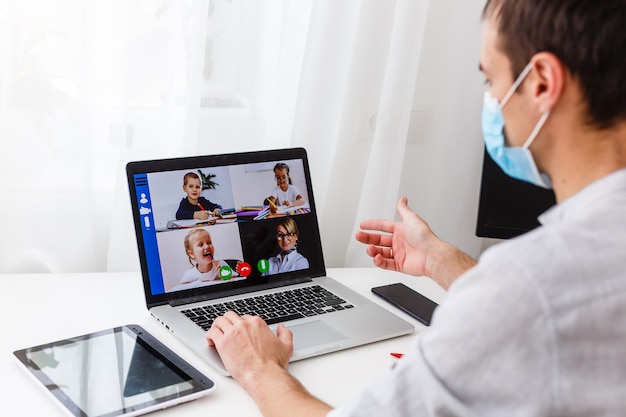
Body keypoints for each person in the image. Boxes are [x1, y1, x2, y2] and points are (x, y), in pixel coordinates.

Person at [206, 1, 626, 416]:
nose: (492, 101)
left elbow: (530, 302)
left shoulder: (532, 285)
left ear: (540, 83)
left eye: (491, 80)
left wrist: (257, 367)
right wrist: (440, 259)